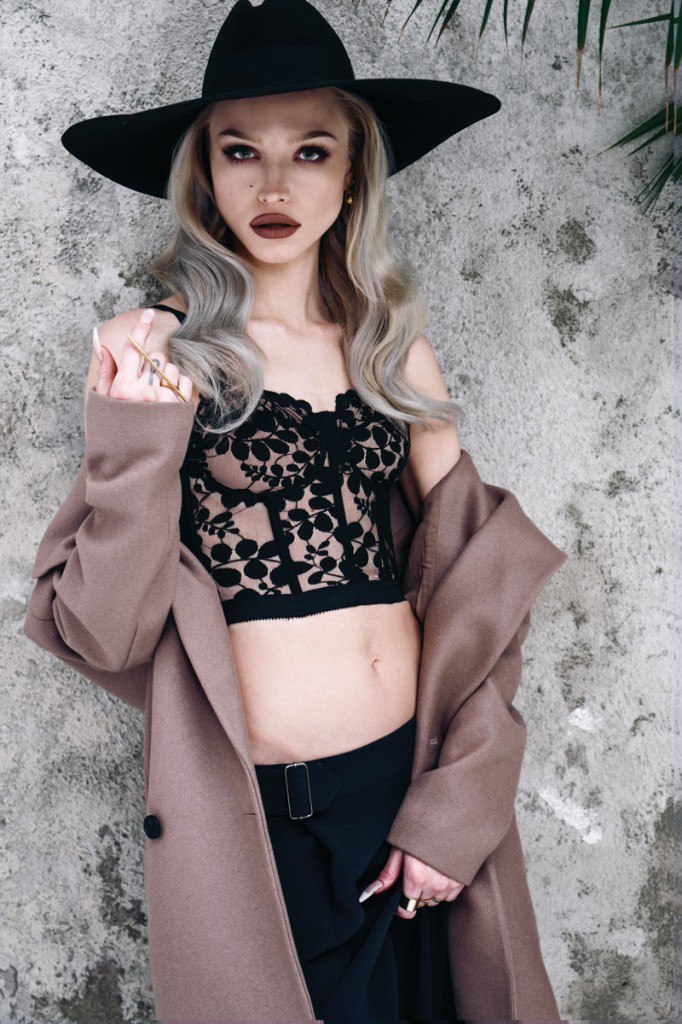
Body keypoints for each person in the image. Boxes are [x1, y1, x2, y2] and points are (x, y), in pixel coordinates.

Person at [31, 1, 517, 1020]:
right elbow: (100, 630)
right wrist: (135, 428)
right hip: (259, 826)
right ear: (204, 176)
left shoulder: (392, 351)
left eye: (311, 151)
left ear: (353, 176)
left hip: (405, 797)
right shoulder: (153, 350)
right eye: (240, 150)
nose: (274, 184)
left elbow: (484, 596)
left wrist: (455, 806)